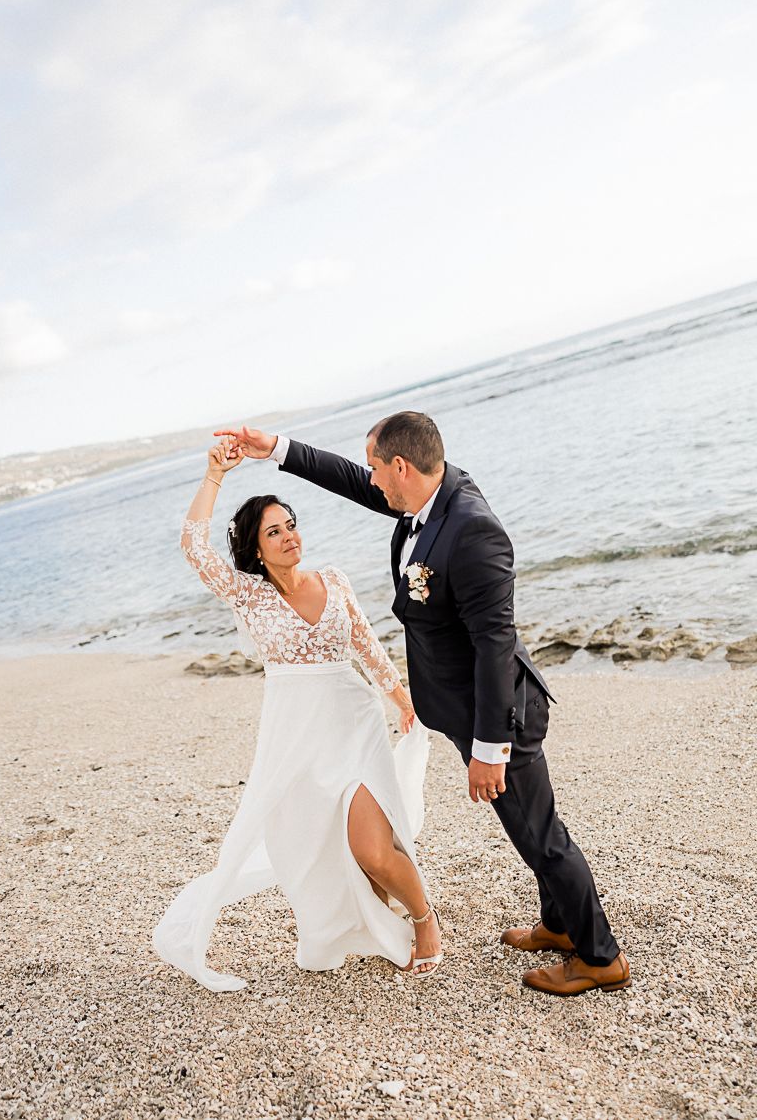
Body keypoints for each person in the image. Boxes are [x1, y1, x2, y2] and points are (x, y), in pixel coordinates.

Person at [219, 412, 630, 996]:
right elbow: (349, 480)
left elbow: (494, 646)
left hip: (500, 714)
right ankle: (559, 925)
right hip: (467, 707)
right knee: (525, 826)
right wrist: (277, 448)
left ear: (401, 467)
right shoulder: (427, 496)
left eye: (376, 468)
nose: (371, 480)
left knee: (541, 833)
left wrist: (490, 748)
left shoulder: (472, 529)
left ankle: (599, 956)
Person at [153, 438, 440, 990]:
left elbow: (366, 644)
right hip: (295, 740)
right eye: (274, 532)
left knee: (374, 850)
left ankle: (425, 921)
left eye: (291, 524)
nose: (290, 536)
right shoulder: (248, 596)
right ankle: (368, 924)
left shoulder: (333, 581)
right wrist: (215, 475)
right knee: (314, 852)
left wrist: (400, 699)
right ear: (257, 550)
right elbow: (194, 546)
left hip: (354, 726)